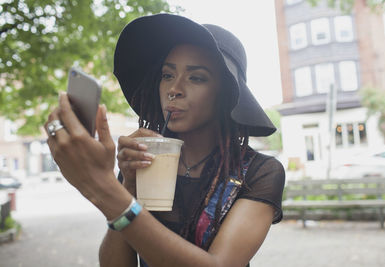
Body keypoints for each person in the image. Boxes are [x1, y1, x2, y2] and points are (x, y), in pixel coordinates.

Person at [45, 13, 285, 267]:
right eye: (167, 75)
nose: (174, 88)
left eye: (196, 77)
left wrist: (104, 189)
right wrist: (127, 187)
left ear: (226, 95)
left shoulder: (259, 172)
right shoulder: (142, 159)